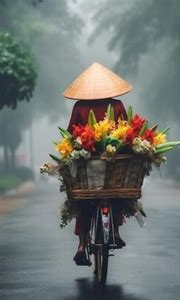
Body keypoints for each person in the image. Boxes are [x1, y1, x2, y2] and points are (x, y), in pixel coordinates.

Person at [62, 62, 132, 265]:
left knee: (84, 200)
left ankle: (82, 245)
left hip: (87, 164)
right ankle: (116, 232)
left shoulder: (80, 106)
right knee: (115, 191)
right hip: (112, 163)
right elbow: (127, 134)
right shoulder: (117, 106)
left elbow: (70, 134)